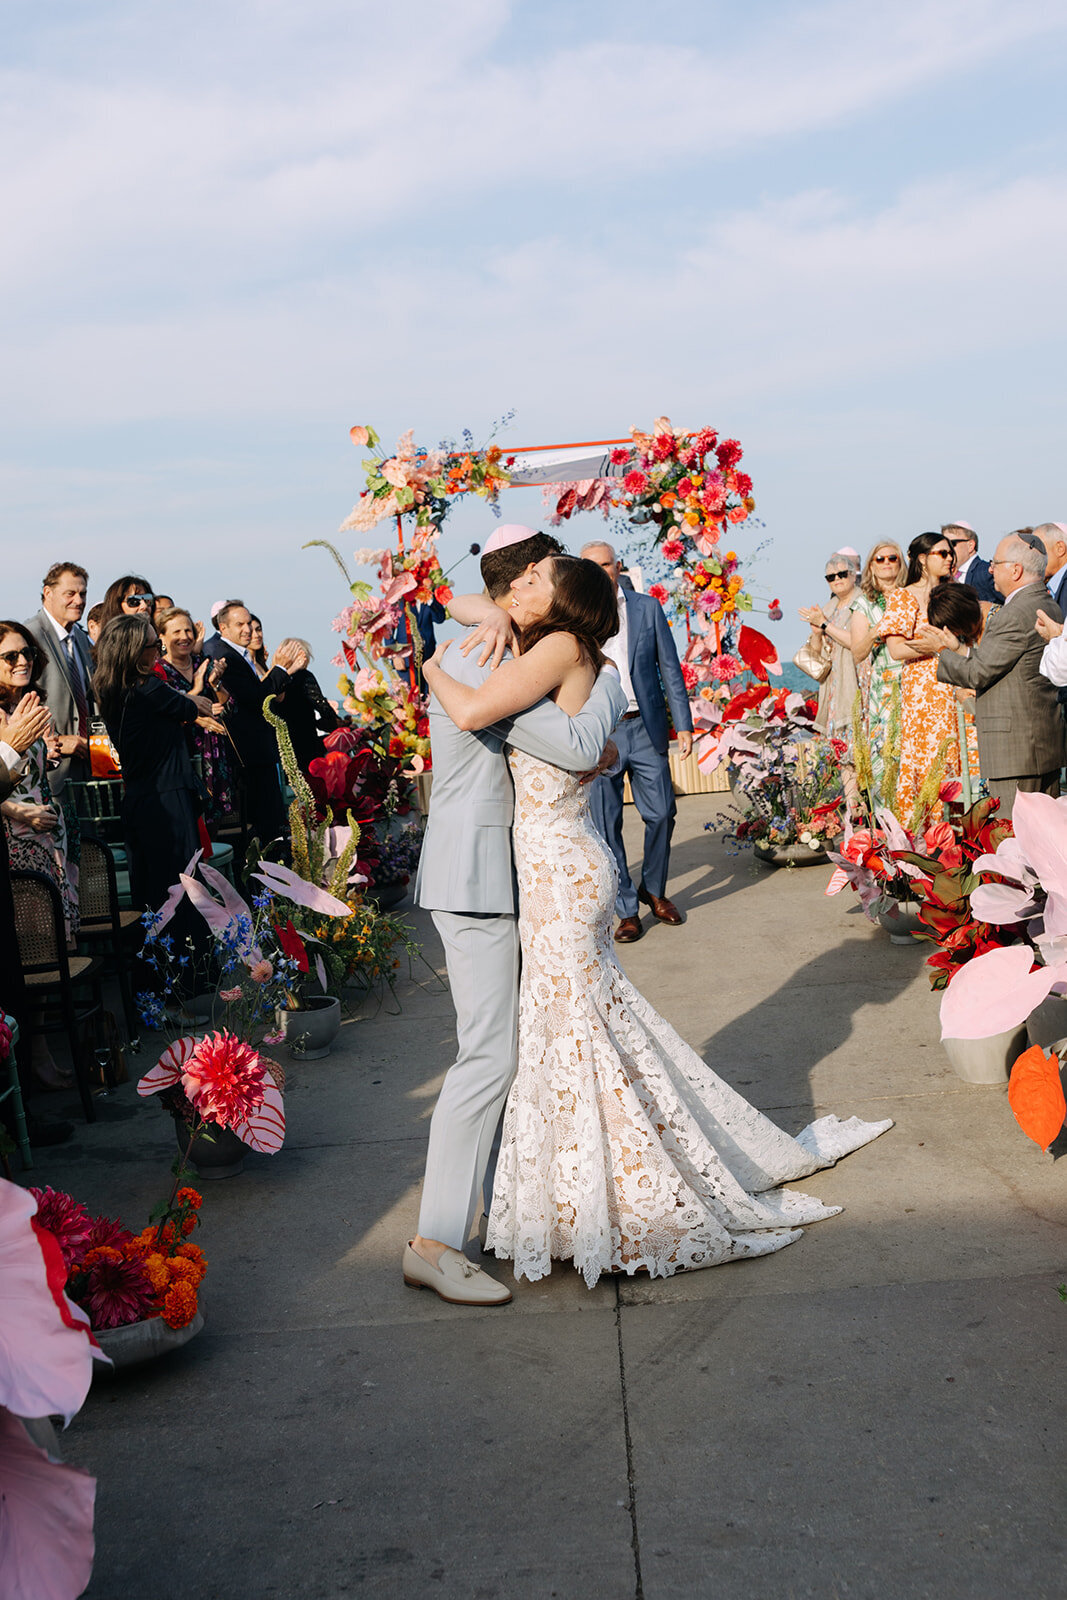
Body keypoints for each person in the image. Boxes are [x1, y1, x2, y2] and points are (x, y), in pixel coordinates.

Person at [423, 552, 892, 1288]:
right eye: (514, 581)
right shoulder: (537, 649)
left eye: (533, 581)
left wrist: (430, 669)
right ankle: (565, 1199)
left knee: (559, 1036)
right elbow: (578, 738)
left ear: (568, 603)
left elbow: (520, 725)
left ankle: (581, 1204)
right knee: (560, 1035)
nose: (517, 590)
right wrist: (484, 623)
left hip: (553, 870)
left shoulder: (550, 652)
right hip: (543, 867)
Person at [404, 527, 627, 1306]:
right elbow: (552, 739)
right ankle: (434, 1243)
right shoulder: (490, 654)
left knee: (511, 1049)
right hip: (476, 873)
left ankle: (504, 1211)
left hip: (502, 871)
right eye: (533, 577)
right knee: (488, 1057)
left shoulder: (493, 638)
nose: (539, 588)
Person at [581, 540, 694, 944]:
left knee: (662, 812)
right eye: (591, 566)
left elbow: (669, 668)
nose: (600, 571)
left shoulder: (646, 608)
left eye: (606, 564)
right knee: (606, 825)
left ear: (618, 566)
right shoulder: (574, 615)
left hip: (645, 727)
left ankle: (654, 889)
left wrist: (683, 724)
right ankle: (626, 910)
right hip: (599, 730)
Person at [924, 530, 1066, 812]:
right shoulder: (1044, 602)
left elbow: (978, 673)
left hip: (1016, 751)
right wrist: (958, 648)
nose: (989, 569)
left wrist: (941, 650)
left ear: (1016, 570)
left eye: (996, 563)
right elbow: (1001, 661)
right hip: (1039, 744)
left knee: (1013, 839)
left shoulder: (1013, 614)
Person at [93, 615, 223, 916]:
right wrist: (193, 698)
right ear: (135, 651)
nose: (158, 651)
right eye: (154, 645)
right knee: (183, 886)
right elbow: (189, 707)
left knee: (151, 893)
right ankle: (187, 959)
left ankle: (157, 958)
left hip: (139, 798)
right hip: (168, 798)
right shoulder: (149, 687)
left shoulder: (111, 688)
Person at [875, 532, 975, 827]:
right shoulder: (904, 597)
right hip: (924, 690)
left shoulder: (956, 590)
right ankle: (930, 835)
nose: (949, 559)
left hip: (958, 680)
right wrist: (931, 646)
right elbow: (894, 649)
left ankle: (964, 833)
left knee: (963, 756)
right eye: (941, 554)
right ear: (922, 559)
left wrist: (943, 646)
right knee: (929, 759)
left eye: (950, 554)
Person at [201, 601, 303, 844]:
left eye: (249, 623)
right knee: (266, 826)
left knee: (273, 822)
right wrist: (281, 669)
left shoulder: (240, 654)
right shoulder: (227, 656)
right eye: (240, 624)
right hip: (250, 756)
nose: (247, 629)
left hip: (260, 753)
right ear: (223, 627)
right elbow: (255, 698)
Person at [0, 624, 79, 939]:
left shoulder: (31, 706)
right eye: (11, 656)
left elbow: (42, 769)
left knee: (59, 937)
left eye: (28, 652)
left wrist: (53, 752)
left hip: (49, 832)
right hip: (16, 836)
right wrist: (20, 812)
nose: (23, 661)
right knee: (34, 937)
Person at [157, 607, 235, 821]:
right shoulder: (159, 671)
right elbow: (164, 713)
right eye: (177, 632)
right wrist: (197, 691)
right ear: (162, 637)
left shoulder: (205, 662)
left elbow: (228, 704)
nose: (185, 637)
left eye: (188, 630)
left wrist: (215, 684)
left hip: (214, 753)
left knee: (214, 820)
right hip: (183, 755)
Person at [23, 562, 93, 795]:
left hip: (87, 768)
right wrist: (58, 739)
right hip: (49, 772)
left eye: (82, 593)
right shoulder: (28, 637)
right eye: (70, 593)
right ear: (48, 593)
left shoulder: (82, 640)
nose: (79, 600)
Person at [798, 548, 863, 743]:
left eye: (842, 574)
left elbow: (856, 642)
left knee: (859, 749)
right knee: (840, 754)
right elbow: (816, 656)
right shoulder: (828, 608)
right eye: (831, 577)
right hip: (833, 688)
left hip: (857, 681)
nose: (837, 579)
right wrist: (817, 634)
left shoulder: (862, 602)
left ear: (853, 576)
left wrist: (825, 624)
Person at [271, 640, 343, 772]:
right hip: (305, 743)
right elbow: (323, 707)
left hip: (281, 747)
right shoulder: (304, 677)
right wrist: (341, 723)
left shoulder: (272, 680)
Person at [943, 522, 1000, 603]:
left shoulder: (987, 572)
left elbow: (1010, 604)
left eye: (952, 543)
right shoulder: (946, 576)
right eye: (944, 545)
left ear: (970, 545)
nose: (947, 549)